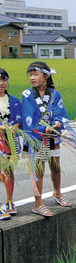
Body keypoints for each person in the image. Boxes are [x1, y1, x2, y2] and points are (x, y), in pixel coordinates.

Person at [22, 61, 72, 217]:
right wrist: (44, 129)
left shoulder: (55, 94)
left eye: (36, 74)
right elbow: (28, 118)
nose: (32, 78)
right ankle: (38, 203)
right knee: (39, 170)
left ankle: (57, 193)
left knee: (55, 166)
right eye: (30, 75)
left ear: (46, 76)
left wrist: (58, 123)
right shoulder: (27, 94)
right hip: (36, 137)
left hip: (52, 136)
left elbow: (61, 114)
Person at [0, 69, 22, 219]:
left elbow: (19, 119)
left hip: (9, 140)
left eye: (4, 79)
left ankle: (9, 201)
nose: (1, 83)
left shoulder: (14, 101)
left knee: (8, 170)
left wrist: (15, 127)